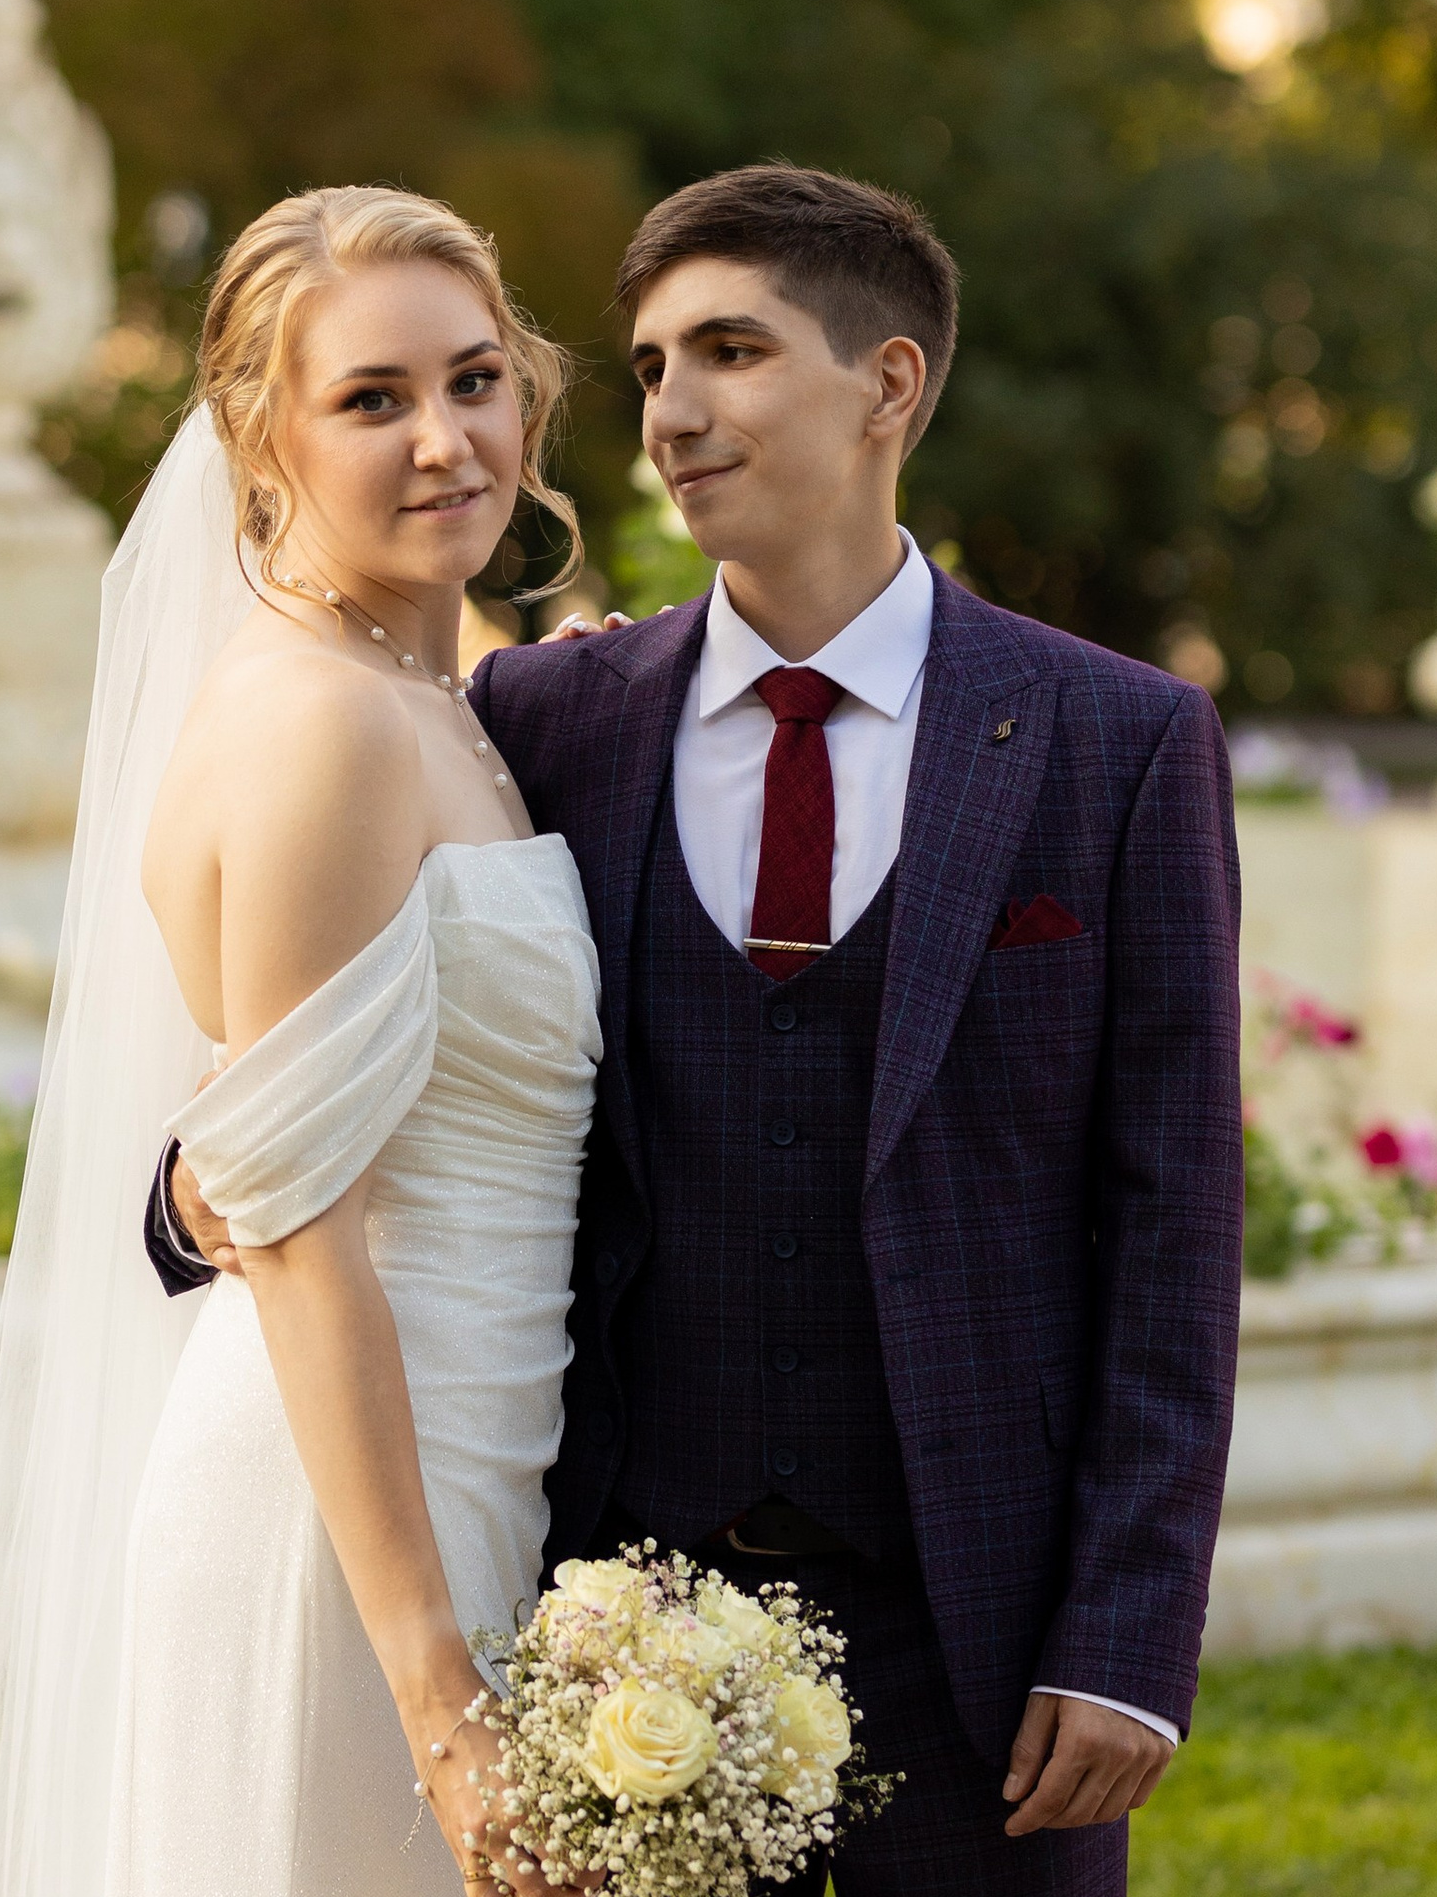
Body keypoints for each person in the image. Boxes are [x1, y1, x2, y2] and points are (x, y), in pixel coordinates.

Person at [167, 164, 1246, 1894]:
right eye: (652, 364)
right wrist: (199, 1189)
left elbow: (1175, 1218)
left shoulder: (1114, 743)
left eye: (731, 352)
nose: (671, 410)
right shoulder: (541, 717)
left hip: (983, 1644)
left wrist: (1126, 1631)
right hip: (605, 1607)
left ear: (890, 386)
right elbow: (312, 1064)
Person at [0, 185, 607, 1897]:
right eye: (372, 400)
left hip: (485, 1456)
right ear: (257, 436)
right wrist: (439, 1692)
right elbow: (290, 1231)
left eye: (475, 380)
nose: (445, 440)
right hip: (340, 1523)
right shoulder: (320, 727)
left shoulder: (434, 692)